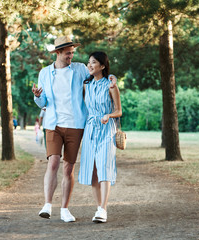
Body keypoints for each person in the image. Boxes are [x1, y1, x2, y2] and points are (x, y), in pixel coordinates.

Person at [32, 36, 117, 223]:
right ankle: (47, 205)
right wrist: (38, 97)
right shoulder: (44, 73)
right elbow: (42, 101)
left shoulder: (79, 69)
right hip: (53, 124)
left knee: (68, 167)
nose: (72, 55)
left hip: (76, 124)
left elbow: (100, 74)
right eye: (68, 52)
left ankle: (64, 209)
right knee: (53, 162)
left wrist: (112, 77)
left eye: (72, 52)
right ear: (58, 53)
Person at [78, 51, 122, 223]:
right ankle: (98, 208)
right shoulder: (86, 85)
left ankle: (103, 209)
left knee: (104, 168)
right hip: (90, 130)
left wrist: (109, 116)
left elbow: (119, 110)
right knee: (93, 172)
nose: (90, 65)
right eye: (89, 62)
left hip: (106, 130)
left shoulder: (111, 86)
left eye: (94, 62)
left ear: (102, 66)